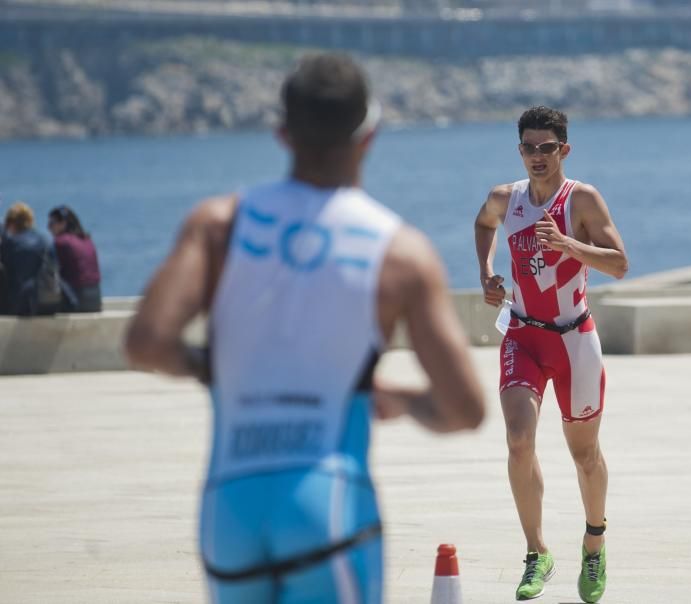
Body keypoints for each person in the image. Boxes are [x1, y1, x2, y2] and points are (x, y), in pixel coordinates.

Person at [124, 53, 486, 604]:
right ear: (370, 135)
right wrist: (401, 401)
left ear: (282, 133)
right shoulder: (399, 252)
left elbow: (147, 342)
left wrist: (208, 367)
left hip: (230, 503)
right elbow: (465, 408)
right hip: (327, 504)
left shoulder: (217, 225)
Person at [473, 106, 628, 602]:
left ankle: (594, 541)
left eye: (547, 148)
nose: (537, 157)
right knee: (519, 440)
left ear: (564, 149)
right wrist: (487, 273)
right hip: (523, 336)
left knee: (584, 454)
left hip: (575, 341)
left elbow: (620, 264)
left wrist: (568, 244)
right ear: (518, 150)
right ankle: (537, 552)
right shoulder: (505, 198)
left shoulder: (581, 199)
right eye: (528, 148)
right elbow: (483, 223)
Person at [1, 201, 62, 316]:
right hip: (53, 304)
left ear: (11, 224)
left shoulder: (11, 244)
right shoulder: (45, 240)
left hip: (29, 305)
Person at [48, 205, 102, 312]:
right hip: (96, 300)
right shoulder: (87, 240)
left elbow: (51, 273)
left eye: (51, 223)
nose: (48, 227)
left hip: (77, 302)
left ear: (63, 223)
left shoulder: (60, 242)